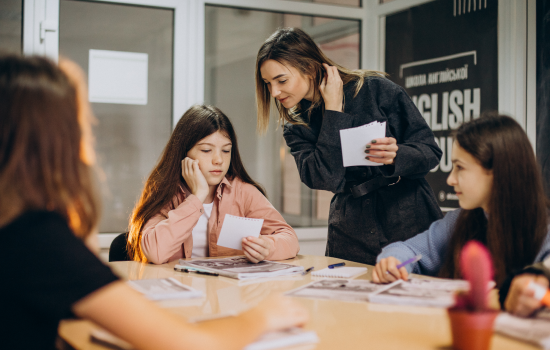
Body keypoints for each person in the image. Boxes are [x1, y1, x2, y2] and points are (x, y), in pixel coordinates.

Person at [0, 54, 308, 350]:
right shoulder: (38, 240)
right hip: (191, 311)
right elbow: (189, 343)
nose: (90, 143)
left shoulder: (24, 233)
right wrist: (263, 315)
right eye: (84, 128)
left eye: (225, 151)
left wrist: (269, 247)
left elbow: (286, 236)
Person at [255, 27, 443, 265]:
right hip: (350, 231)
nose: (274, 92)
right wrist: (333, 110)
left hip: (408, 217)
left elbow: (430, 152)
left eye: (281, 80)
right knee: (347, 298)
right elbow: (323, 178)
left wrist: (397, 155)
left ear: (310, 69)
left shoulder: (376, 90)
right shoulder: (296, 125)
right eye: (267, 83)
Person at [373, 114, 550, 298]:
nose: (450, 179)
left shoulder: (544, 229)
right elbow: (408, 250)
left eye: (460, 167)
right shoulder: (460, 219)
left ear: (498, 172)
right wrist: (392, 261)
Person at [128, 105, 299, 264]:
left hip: (226, 293)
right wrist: (197, 197)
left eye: (226, 150)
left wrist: (268, 247)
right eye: (206, 150)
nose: (218, 160)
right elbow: (155, 252)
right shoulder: (164, 192)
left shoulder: (243, 192)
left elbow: (290, 238)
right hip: (178, 293)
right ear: (183, 153)